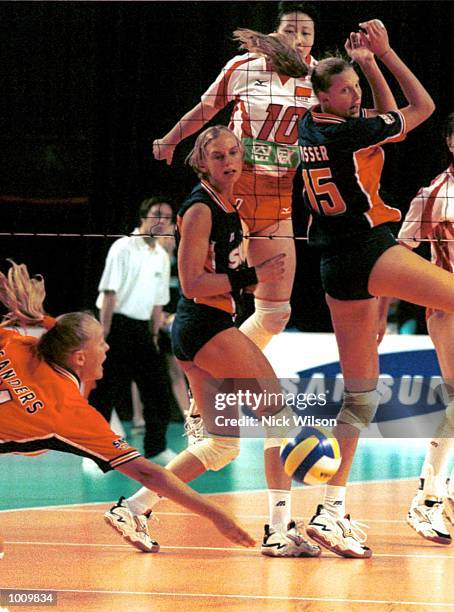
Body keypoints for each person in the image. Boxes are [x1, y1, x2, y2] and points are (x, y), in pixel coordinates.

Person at [297, 20, 454, 558]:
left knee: (361, 396)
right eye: (345, 90)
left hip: (333, 267)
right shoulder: (347, 132)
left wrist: (363, 69)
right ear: (324, 95)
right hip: (369, 248)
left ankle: (330, 510)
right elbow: (421, 109)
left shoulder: (309, 125)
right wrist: (384, 54)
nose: (355, 96)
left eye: (356, 90)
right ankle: (424, 497)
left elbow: (390, 125)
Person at [127, 124, 321, 557]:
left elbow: (219, 275)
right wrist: (252, 278)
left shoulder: (229, 204)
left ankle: (135, 507)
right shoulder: (199, 209)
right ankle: (278, 528)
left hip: (205, 328)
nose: (230, 161)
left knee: (221, 444)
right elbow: (192, 283)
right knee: (279, 416)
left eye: (235, 152)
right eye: (219, 156)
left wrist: (247, 283)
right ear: (201, 162)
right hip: (204, 325)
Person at [0, 260, 256, 558]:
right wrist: (216, 515)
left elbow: (57, 332)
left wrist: (42, 320)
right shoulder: (69, 414)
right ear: (80, 358)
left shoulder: (16, 343)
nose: (107, 349)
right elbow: (150, 475)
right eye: (101, 343)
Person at [153, 2, 319, 353]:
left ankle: (225, 369)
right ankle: (203, 376)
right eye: (290, 30)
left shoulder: (320, 78)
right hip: (233, 193)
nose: (299, 39)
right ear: (275, 34)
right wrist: (170, 139)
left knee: (275, 314)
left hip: (277, 199)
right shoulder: (243, 68)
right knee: (212, 299)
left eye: (306, 33)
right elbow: (207, 109)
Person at [399, 112, 454, 545]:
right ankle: (426, 501)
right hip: (447, 310)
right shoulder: (434, 194)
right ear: (451, 142)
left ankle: (444, 492)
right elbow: (400, 253)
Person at [90, 197, 176, 463]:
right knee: (104, 396)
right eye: (156, 215)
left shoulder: (162, 256)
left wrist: (152, 336)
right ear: (143, 217)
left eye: (167, 217)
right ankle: (93, 454)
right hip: (114, 325)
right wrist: (102, 337)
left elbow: (158, 303)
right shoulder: (123, 247)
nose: (161, 221)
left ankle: (157, 449)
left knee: (159, 393)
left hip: (142, 331)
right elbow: (109, 293)